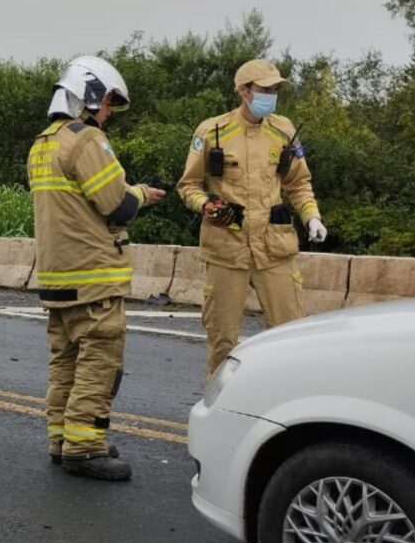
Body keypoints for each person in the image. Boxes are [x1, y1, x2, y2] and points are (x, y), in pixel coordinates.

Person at [30, 56, 165, 481]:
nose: (108, 114)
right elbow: (116, 204)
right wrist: (142, 193)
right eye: (107, 104)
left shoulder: (43, 142)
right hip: (92, 275)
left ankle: (62, 439)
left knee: (65, 361)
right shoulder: (87, 140)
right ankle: (85, 447)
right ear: (89, 96)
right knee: (99, 361)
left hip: (57, 277)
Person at [177, 59, 326, 379]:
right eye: (264, 89)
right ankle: (219, 408)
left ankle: (288, 409)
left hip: (273, 248)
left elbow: (299, 183)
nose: (271, 95)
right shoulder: (212, 130)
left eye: (275, 89)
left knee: (290, 335)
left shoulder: (284, 130)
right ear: (243, 91)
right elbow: (188, 185)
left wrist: (312, 217)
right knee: (223, 340)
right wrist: (205, 205)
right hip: (226, 248)